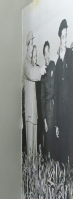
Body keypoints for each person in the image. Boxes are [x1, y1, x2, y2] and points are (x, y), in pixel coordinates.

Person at [54, 19, 73, 165]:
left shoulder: (71, 55)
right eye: (63, 36)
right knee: (62, 148)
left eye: (67, 36)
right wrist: (56, 123)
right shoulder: (57, 63)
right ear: (59, 38)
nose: (65, 39)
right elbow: (55, 92)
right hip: (61, 112)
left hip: (70, 109)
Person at [24, 31, 43, 157]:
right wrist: (41, 70)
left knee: (34, 142)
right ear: (27, 46)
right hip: (29, 111)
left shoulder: (31, 63)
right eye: (30, 43)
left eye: (33, 43)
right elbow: (31, 73)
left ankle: (34, 163)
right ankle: (31, 162)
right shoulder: (26, 63)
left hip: (33, 110)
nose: (32, 46)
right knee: (30, 141)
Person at [42, 41, 56, 158]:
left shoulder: (53, 65)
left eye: (48, 51)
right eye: (45, 53)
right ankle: (48, 161)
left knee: (56, 137)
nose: (47, 55)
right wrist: (44, 120)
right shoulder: (42, 73)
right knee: (48, 139)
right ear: (43, 55)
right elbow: (42, 98)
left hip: (55, 107)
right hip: (47, 109)